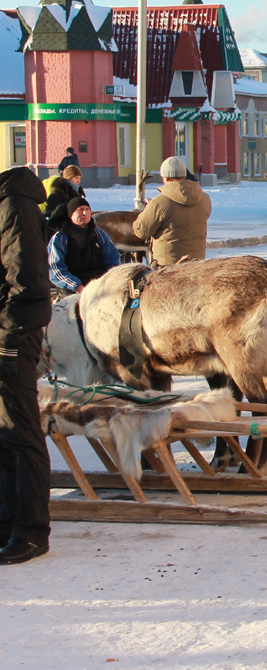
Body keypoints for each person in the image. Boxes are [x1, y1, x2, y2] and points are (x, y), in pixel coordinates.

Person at [0, 164, 53, 565]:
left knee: (19, 429)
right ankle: (8, 521)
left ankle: (32, 531)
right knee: (3, 432)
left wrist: (9, 331)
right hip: (8, 330)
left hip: (12, 336)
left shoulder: (14, 205)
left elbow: (27, 280)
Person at [133, 156, 212, 268]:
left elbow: (142, 231)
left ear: (165, 178)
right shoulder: (205, 199)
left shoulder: (159, 203)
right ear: (184, 175)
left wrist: (143, 213)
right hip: (197, 266)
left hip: (167, 268)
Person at [48, 198, 120, 295]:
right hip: (71, 289)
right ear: (71, 214)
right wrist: (76, 286)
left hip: (99, 285)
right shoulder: (60, 238)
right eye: (80, 210)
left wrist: (106, 281)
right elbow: (55, 268)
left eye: (87, 209)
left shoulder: (99, 234)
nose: (84, 213)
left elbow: (113, 259)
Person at [43, 163, 85, 228]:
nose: (78, 180)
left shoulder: (77, 191)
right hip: (61, 227)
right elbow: (50, 211)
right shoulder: (59, 191)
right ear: (69, 177)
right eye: (76, 178)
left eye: (79, 178)